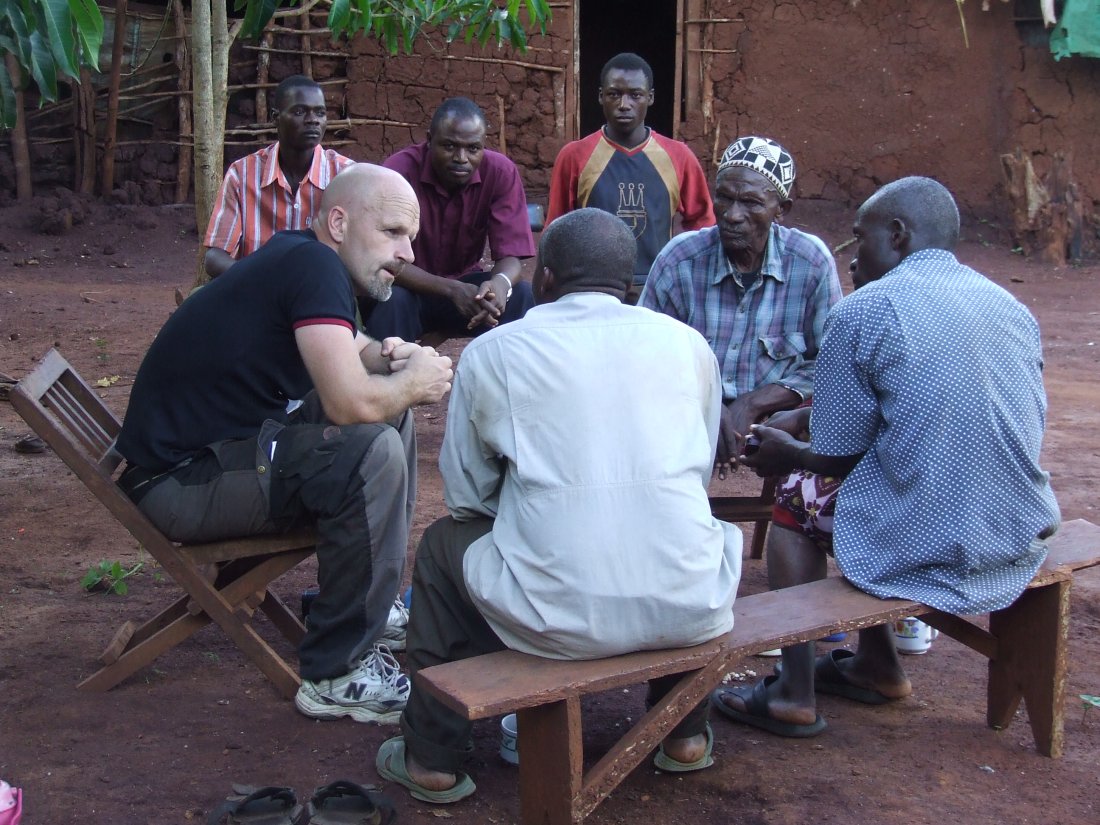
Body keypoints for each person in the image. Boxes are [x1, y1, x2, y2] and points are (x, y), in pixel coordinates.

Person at [372, 208, 742, 803]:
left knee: (444, 548)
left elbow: (468, 498)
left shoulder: (497, 352)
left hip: (555, 616)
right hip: (691, 602)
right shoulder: (687, 345)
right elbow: (693, 475)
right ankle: (686, 735)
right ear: (630, 285)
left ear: (541, 281)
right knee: (674, 530)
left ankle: (432, 756)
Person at [710, 176, 1061, 737]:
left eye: (859, 238)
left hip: (937, 535)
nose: (849, 257)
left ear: (897, 235)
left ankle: (791, 692)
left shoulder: (866, 310)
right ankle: (877, 666)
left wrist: (788, 452)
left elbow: (836, 457)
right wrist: (807, 423)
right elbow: (919, 410)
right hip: (1017, 522)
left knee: (796, 500)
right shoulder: (1007, 304)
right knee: (881, 483)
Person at [117, 164, 455, 724]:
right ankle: (335, 673)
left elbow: (345, 343)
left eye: (411, 238)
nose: (408, 254)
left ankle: (371, 605)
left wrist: (390, 353)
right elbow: (349, 405)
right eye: (394, 232)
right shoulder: (315, 265)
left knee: (391, 422)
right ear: (340, 222)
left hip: (215, 456)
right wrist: (414, 382)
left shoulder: (306, 254)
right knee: (371, 446)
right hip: (182, 482)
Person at [639, 136, 842, 478]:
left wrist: (757, 401)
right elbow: (645, 353)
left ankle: (790, 518)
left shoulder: (810, 262)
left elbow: (830, 362)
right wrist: (704, 400)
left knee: (830, 424)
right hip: (686, 406)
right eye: (724, 198)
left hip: (777, 417)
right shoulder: (679, 259)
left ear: (782, 210)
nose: (733, 215)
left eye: (750, 202)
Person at [362, 97, 536, 342]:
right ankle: (385, 377)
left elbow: (511, 256)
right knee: (390, 301)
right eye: (449, 146)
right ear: (429, 140)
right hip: (409, 287)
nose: (461, 158)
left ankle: (513, 378)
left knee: (521, 297)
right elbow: (383, 260)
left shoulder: (500, 173)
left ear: (483, 146)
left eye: (473, 149)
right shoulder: (398, 174)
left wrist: (499, 284)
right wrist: (450, 289)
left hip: (467, 290)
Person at [546, 52, 714, 303]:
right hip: (591, 290)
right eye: (614, 94)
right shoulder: (575, 156)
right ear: (601, 96)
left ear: (650, 98)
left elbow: (704, 226)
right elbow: (556, 229)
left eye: (635, 95)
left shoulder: (678, 156)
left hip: (657, 286)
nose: (624, 104)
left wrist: (685, 276)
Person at [203, 75, 353, 279]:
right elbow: (214, 256)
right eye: (300, 111)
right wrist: (262, 281)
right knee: (198, 299)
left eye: (320, 112)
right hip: (256, 291)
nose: (313, 120)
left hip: (321, 292)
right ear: (276, 118)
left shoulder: (347, 177)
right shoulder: (242, 174)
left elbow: (362, 255)